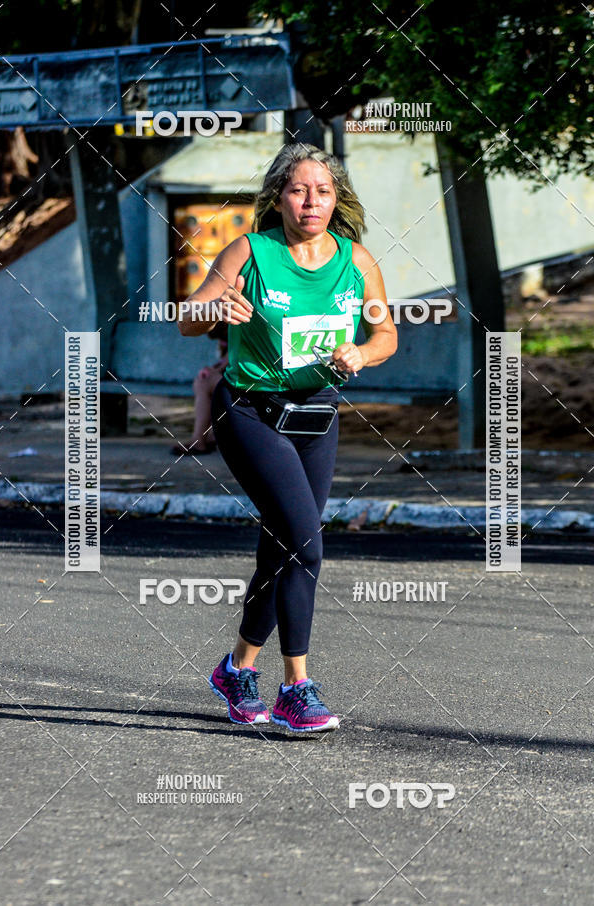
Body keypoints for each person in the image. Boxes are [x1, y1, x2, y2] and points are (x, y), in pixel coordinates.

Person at [178, 143, 397, 732]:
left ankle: (236, 669)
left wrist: (363, 352)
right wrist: (220, 304)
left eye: (323, 191)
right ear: (279, 196)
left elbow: (387, 335)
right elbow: (187, 318)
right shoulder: (250, 251)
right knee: (306, 543)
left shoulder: (357, 259)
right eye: (299, 190)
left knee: (283, 546)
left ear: (337, 199)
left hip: (316, 416)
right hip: (248, 412)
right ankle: (295, 688)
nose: (311, 202)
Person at [172, 323, 228, 455]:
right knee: (205, 382)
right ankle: (210, 436)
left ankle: (199, 441)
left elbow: (236, 354)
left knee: (203, 383)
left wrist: (215, 370)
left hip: (253, 380)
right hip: (240, 376)